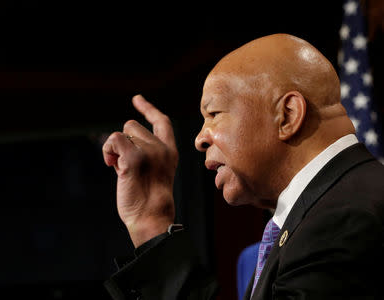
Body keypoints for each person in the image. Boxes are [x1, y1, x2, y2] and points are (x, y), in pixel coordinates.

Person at [102, 33, 384, 299]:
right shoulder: (335, 206)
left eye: (214, 114)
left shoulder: (341, 220)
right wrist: (153, 222)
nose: (200, 139)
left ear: (287, 115)